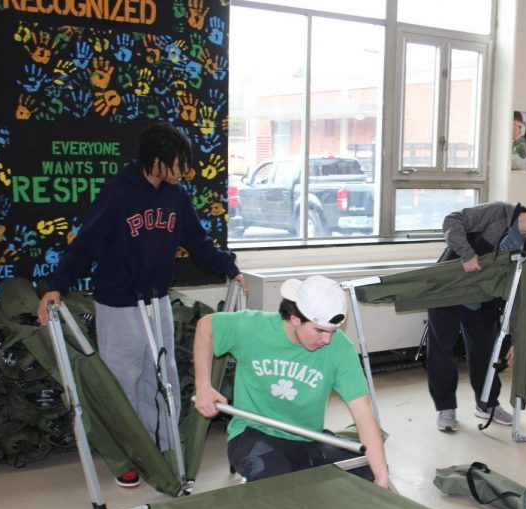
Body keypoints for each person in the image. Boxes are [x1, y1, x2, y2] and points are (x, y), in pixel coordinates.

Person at [37, 122, 246, 488]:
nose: (184, 171)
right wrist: (56, 286)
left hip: (157, 299)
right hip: (119, 303)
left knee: (162, 378)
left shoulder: (177, 196)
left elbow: (198, 244)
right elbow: (84, 245)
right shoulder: (118, 192)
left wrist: (230, 267)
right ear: (156, 161)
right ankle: (129, 456)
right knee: (124, 383)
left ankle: (165, 449)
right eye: (178, 164)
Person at [192, 275, 390, 489]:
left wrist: (381, 476)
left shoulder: (339, 348)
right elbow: (206, 326)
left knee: (368, 470)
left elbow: (363, 414)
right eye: (320, 330)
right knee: (279, 481)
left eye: (332, 332)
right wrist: (203, 386)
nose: (327, 340)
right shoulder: (254, 327)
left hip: (308, 437)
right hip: (255, 433)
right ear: (295, 318)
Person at [430, 194, 526, 432]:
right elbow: (452, 220)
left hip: (481, 300)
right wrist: (466, 253)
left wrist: (518, 339)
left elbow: (519, 293)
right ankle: (445, 409)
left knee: (486, 352)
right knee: (441, 350)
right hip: (448, 289)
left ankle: (487, 403)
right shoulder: (498, 213)